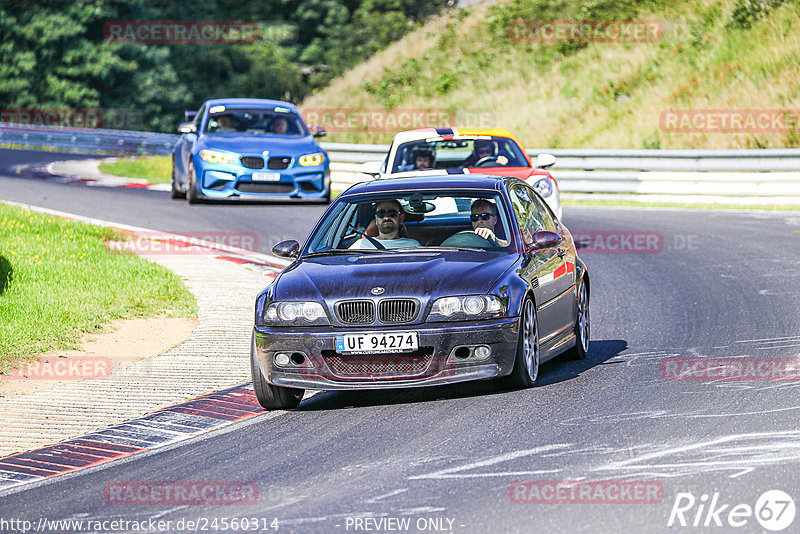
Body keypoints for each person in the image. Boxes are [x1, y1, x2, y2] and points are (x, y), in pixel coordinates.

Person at [349, 199, 421, 250]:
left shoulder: (413, 245)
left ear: (401, 219)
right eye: (381, 214)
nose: (386, 217)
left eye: (392, 214)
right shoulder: (360, 245)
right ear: (376, 219)